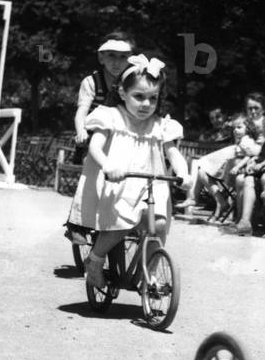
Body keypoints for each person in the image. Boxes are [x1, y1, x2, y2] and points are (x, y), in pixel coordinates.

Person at [67, 55, 190, 288]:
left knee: (160, 225)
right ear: (123, 93)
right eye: (139, 97)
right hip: (119, 183)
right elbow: (95, 147)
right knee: (121, 224)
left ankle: (150, 272)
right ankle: (94, 261)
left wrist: (184, 174)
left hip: (151, 183)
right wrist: (108, 165)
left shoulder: (160, 125)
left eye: (152, 98)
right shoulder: (110, 116)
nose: (146, 104)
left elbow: (173, 153)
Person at [64, 32, 135, 245]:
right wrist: (81, 131)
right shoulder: (92, 81)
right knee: (92, 171)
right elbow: (82, 110)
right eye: (111, 56)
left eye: (123, 56)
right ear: (101, 57)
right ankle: (78, 223)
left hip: (124, 134)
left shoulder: (132, 79)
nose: (117, 62)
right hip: (97, 134)